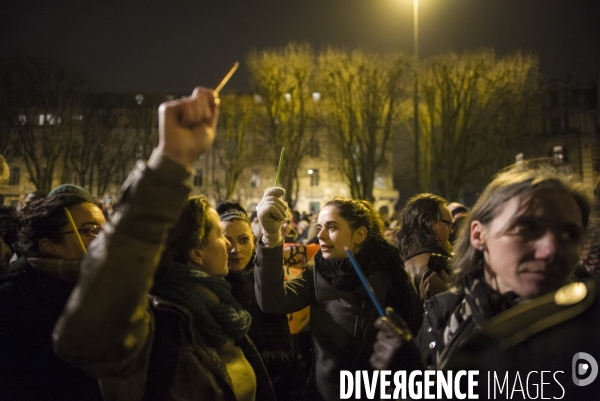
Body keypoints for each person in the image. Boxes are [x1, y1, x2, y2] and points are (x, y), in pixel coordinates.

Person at [54, 87, 276, 401]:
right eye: (218, 234)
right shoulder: (155, 326)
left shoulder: (219, 310)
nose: (229, 245)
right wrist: (169, 164)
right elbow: (86, 338)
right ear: (195, 251)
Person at [370, 166, 590, 372]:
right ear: (478, 235)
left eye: (570, 234)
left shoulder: (586, 334)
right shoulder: (444, 312)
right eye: (529, 227)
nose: (551, 250)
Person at [254, 192, 423, 401]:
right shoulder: (316, 272)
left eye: (331, 227)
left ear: (359, 235)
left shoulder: (393, 277)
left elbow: (415, 328)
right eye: (319, 228)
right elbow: (273, 301)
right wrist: (270, 238)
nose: (321, 235)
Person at [0, 193, 105, 400]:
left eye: (106, 229)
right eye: (90, 230)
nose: (103, 238)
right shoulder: (12, 299)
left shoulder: (104, 286)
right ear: (49, 246)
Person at [217, 201, 294, 400]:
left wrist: (245, 363)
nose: (235, 250)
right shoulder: (207, 287)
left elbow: (287, 355)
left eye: (243, 240)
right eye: (227, 241)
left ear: (253, 241)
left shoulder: (265, 285)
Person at [396, 193, 454, 301]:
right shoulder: (433, 269)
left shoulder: (406, 258)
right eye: (448, 224)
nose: (451, 231)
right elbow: (446, 314)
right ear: (429, 223)